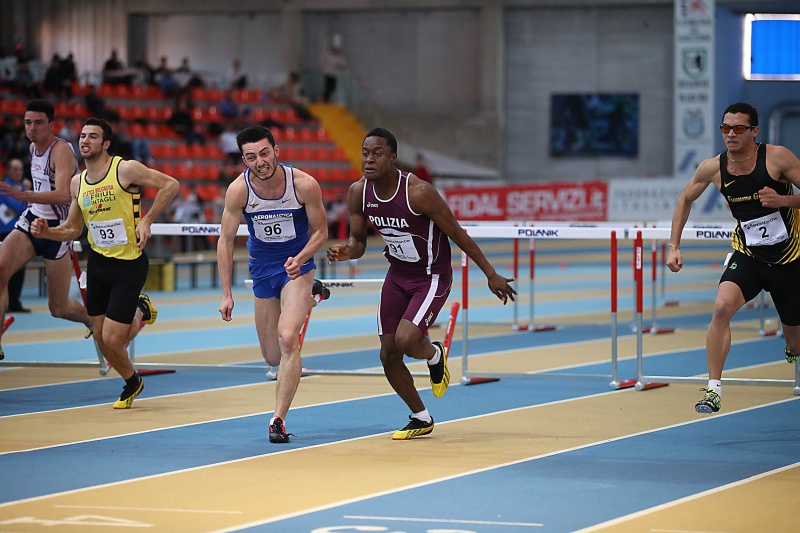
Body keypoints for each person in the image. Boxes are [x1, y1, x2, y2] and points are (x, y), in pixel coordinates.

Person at [326, 128, 516, 440]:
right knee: (387, 355)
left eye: (377, 154)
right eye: (365, 153)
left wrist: (490, 273)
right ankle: (421, 416)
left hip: (431, 277)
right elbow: (358, 243)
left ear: (393, 158)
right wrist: (348, 251)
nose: (369, 159)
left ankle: (434, 355)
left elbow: (457, 233)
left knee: (405, 340)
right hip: (397, 276)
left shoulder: (418, 192)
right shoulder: (358, 192)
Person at [31, 118, 179, 408]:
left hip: (129, 263)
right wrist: (47, 232)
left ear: (106, 143)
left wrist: (147, 220)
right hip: (98, 264)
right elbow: (73, 228)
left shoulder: (124, 169)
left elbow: (170, 185)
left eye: (93, 136)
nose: (85, 141)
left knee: (112, 338)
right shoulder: (78, 182)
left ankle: (140, 308)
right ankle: (132, 381)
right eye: (82, 136)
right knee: (99, 335)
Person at [667, 102, 800, 414]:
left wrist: (783, 200)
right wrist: (674, 245)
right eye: (725, 128)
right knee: (721, 307)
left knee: (796, 343)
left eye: (739, 128)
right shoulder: (713, 168)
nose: (731, 134)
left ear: (754, 131)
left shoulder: (777, 157)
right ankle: (713, 389)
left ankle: (792, 346)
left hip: (789, 260)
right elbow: (685, 199)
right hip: (748, 255)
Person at [217, 126, 329, 444]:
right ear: (244, 160)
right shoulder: (238, 190)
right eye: (251, 157)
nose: (260, 162)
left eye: (265, 153)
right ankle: (313, 294)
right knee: (271, 357)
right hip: (262, 270)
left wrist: (301, 257)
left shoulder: (303, 185)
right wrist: (226, 294)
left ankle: (278, 419)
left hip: (297, 267)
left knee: (288, 338)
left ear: (276, 151)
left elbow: (321, 231)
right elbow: (225, 241)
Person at [0, 100, 92, 360]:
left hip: (57, 230)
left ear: (51, 125)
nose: (32, 128)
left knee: (59, 308)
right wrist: (29, 200)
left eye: (39, 123)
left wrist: (23, 194)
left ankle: (94, 320)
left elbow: (63, 195)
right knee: (0, 270)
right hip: (32, 221)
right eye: (28, 122)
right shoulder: (32, 148)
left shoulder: (60, 150)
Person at [0, 159, 31, 313]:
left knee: (19, 269)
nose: (18, 172)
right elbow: (18, 206)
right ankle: (5, 304)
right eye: (15, 169)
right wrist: (28, 197)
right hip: (5, 233)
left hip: (19, 231)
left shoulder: (21, 188)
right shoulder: (4, 187)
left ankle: (14, 302)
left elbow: (30, 206)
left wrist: (27, 197)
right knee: (5, 269)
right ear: (8, 171)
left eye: (20, 169)